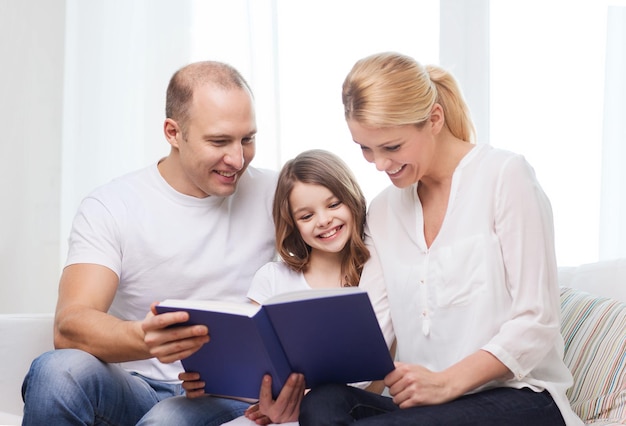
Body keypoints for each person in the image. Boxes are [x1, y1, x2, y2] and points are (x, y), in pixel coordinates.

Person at [298, 52, 584, 425]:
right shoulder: (384, 211)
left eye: (392, 147)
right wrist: (295, 390)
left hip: (522, 398)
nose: (379, 164)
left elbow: (537, 323)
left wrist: (446, 383)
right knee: (323, 402)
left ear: (434, 119)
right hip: (430, 410)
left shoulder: (504, 176)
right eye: (365, 148)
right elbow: (372, 329)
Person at [21, 60, 281, 426]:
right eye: (219, 141)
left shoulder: (278, 195)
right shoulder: (112, 205)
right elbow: (70, 325)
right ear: (173, 132)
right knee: (57, 371)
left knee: (165, 421)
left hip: (230, 396)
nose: (238, 159)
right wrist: (143, 338)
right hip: (136, 386)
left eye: (247, 139)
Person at [142, 149, 394, 425]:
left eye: (333, 205)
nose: (323, 220)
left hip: (340, 410)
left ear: (353, 199)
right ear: (293, 224)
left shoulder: (377, 274)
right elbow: (252, 364)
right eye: (306, 216)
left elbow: (375, 381)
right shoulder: (273, 278)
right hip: (274, 409)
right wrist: (210, 383)